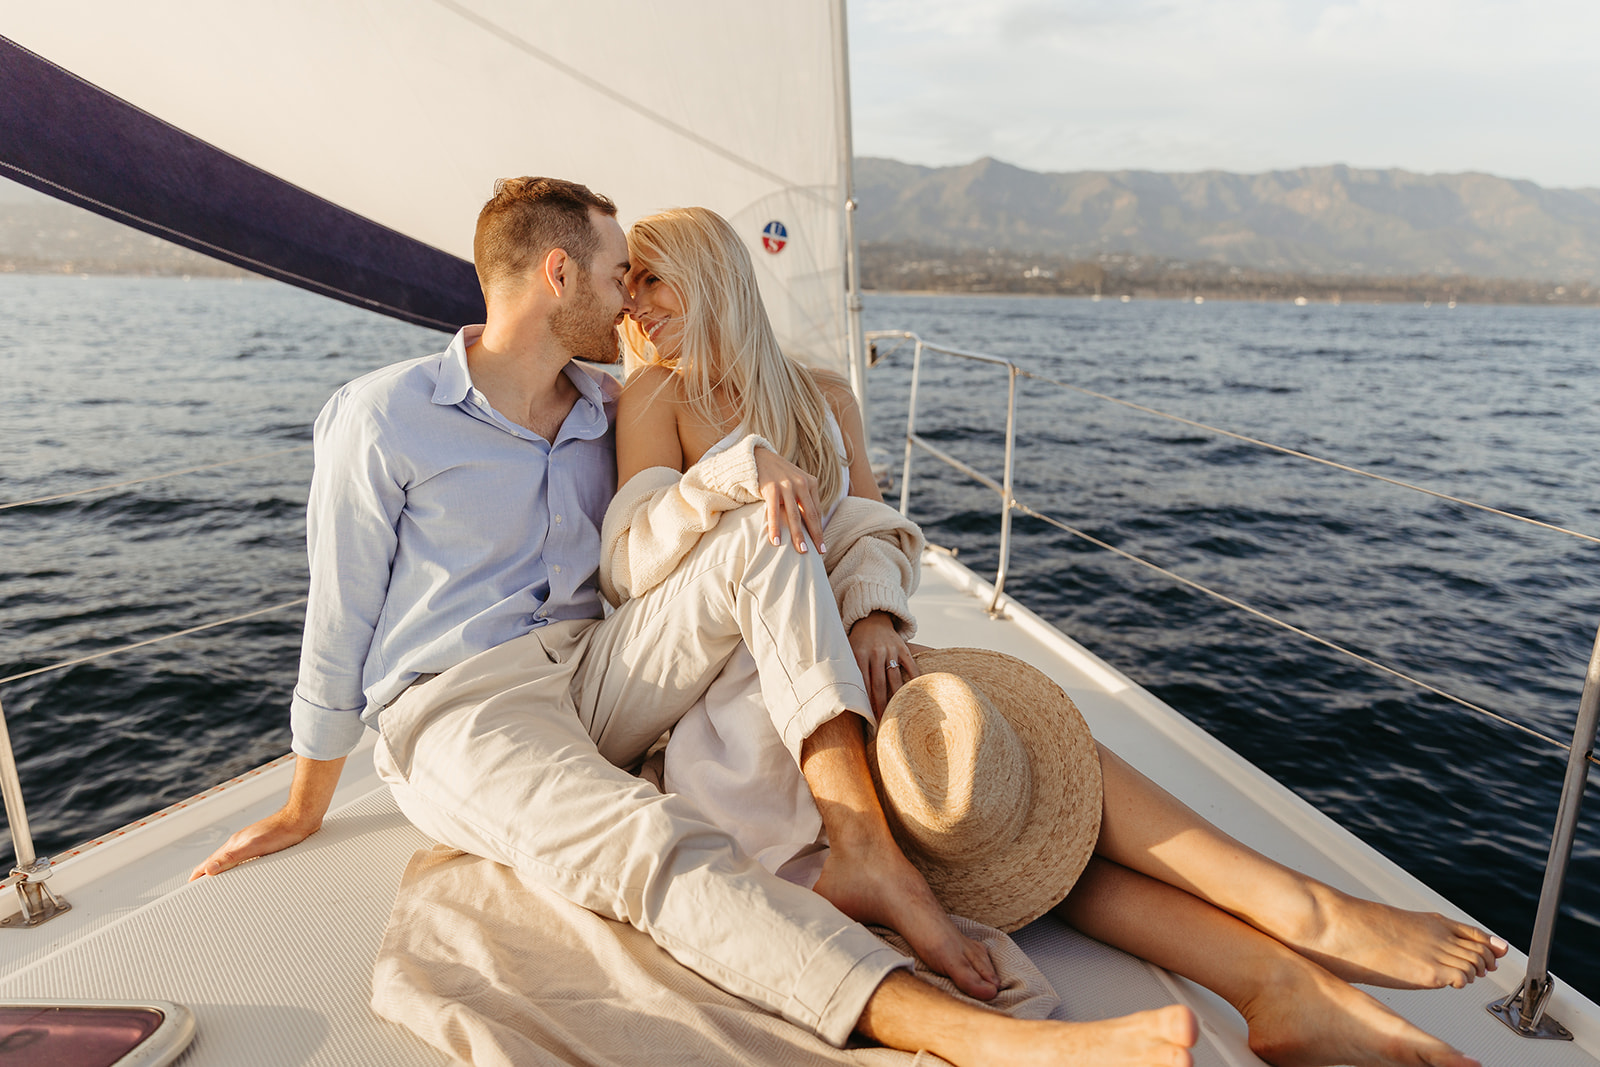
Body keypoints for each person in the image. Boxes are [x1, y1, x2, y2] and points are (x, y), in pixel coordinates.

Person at [189, 176, 1208, 1067]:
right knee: (650, 835)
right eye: (612, 271)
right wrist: (305, 801)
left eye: (640, 278)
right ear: (557, 273)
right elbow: (339, 620)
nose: (625, 297)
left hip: (596, 672)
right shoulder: (381, 415)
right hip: (461, 709)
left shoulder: (610, 400)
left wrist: (854, 577)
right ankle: (962, 1029)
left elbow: (736, 516)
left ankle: (864, 845)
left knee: (761, 528)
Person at [607, 205, 1510, 1067]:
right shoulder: (656, 394)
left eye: (653, 279)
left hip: (860, 642)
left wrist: (876, 615)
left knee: (1029, 786)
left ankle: (1285, 965)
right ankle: (1290, 940)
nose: (635, 304)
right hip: (759, 694)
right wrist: (735, 471)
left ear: (714, 274)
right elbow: (636, 558)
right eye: (629, 284)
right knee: (996, 818)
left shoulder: (826, 395)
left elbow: (871, 529)